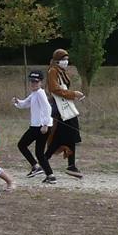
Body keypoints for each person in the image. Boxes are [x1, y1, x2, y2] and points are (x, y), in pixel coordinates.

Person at [45, 49, 86, 178]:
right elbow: (55, 89)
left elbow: (63, 89)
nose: (66, 62)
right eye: (63, 59)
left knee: (69, 136)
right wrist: (73, 94)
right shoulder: (53, 71)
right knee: (60, 136)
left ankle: (70, 165)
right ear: (57, 60)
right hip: (60, 109)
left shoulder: (61, 72)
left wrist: (73, 95)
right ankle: (44, 160)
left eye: (67, 59)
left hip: (66, 107)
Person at [12, 70, 56, 184]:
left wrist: (45, 124)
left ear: (41, 82)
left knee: (23, 145)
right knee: (37, 152)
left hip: (40, 127)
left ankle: (38, 168)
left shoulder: (40, 93)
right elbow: (25, 104)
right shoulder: (34, 94)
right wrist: (17, 102)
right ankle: (48, 174)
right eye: (31, 81)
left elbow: (48, 108)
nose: (33, 84)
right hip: (36, 126)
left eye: (36, 82)